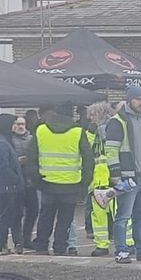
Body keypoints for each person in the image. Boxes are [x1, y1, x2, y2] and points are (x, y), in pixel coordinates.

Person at [104, 85, 141, 264]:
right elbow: (111, 150)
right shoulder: (117, 121)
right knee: (123, 216)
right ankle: (121, 251)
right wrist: (116, 173)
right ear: (129, 100)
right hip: (128, 177)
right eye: (138, 99)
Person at [28, 104, 93, 256]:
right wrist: (84, 184)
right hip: (71, 185)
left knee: (45, 217)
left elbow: (32, 157)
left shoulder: (41, 130)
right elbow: (88, 160)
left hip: (47, 183)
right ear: (71, 114)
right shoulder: (78, 132)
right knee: (65, 220)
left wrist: (36, 179)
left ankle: (42, 247)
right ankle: (60, 248)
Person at [84, 101, 130, 257]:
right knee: (100, 215)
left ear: (99, 113)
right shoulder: (94, 131)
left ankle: (124, 243)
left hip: (110, 178)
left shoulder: (109, 128)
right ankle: (104, 244)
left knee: (119, 212)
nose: (90, 118)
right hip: (100, 180)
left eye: (92, 114)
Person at [0, 113, 25, 254]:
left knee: (10, 215)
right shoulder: (1, 143)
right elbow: (2, 167)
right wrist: (16, 179)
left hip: (8, 186)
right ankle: (1, 244)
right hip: (8, 187)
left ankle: (15, 243)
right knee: (5, 216)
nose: (16, 126)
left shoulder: (4, 140)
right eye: (14, 124)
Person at [10, 114, 38, 249]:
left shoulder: (31, 139)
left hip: (30, 180)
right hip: (16, 181)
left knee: (33, 211)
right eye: (18, 124)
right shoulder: (9, 140)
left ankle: (27, 239)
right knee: (17, 213)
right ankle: (18, 241)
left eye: (22, 124)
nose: (20, 126)